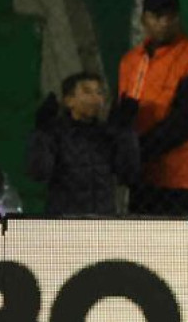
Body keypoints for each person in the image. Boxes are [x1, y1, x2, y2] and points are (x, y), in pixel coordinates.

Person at [119, 0, 188, 215]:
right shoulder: (130, 61)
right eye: (157, 16)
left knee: (176, 238)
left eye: (170, 16)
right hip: (142, 176)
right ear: (144, 19)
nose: (164, 23)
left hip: (180, 179)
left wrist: (137, 151)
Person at [27, 72, 140, 215]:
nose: (95, 98)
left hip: (103, 219)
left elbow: (128, 174)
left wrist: (125, 131)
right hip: (65, 220)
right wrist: (42, 133)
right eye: (87, 92)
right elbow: (39, 172)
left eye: (99, 92)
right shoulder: (56, 134)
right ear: (69, 101)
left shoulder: (107, 134)